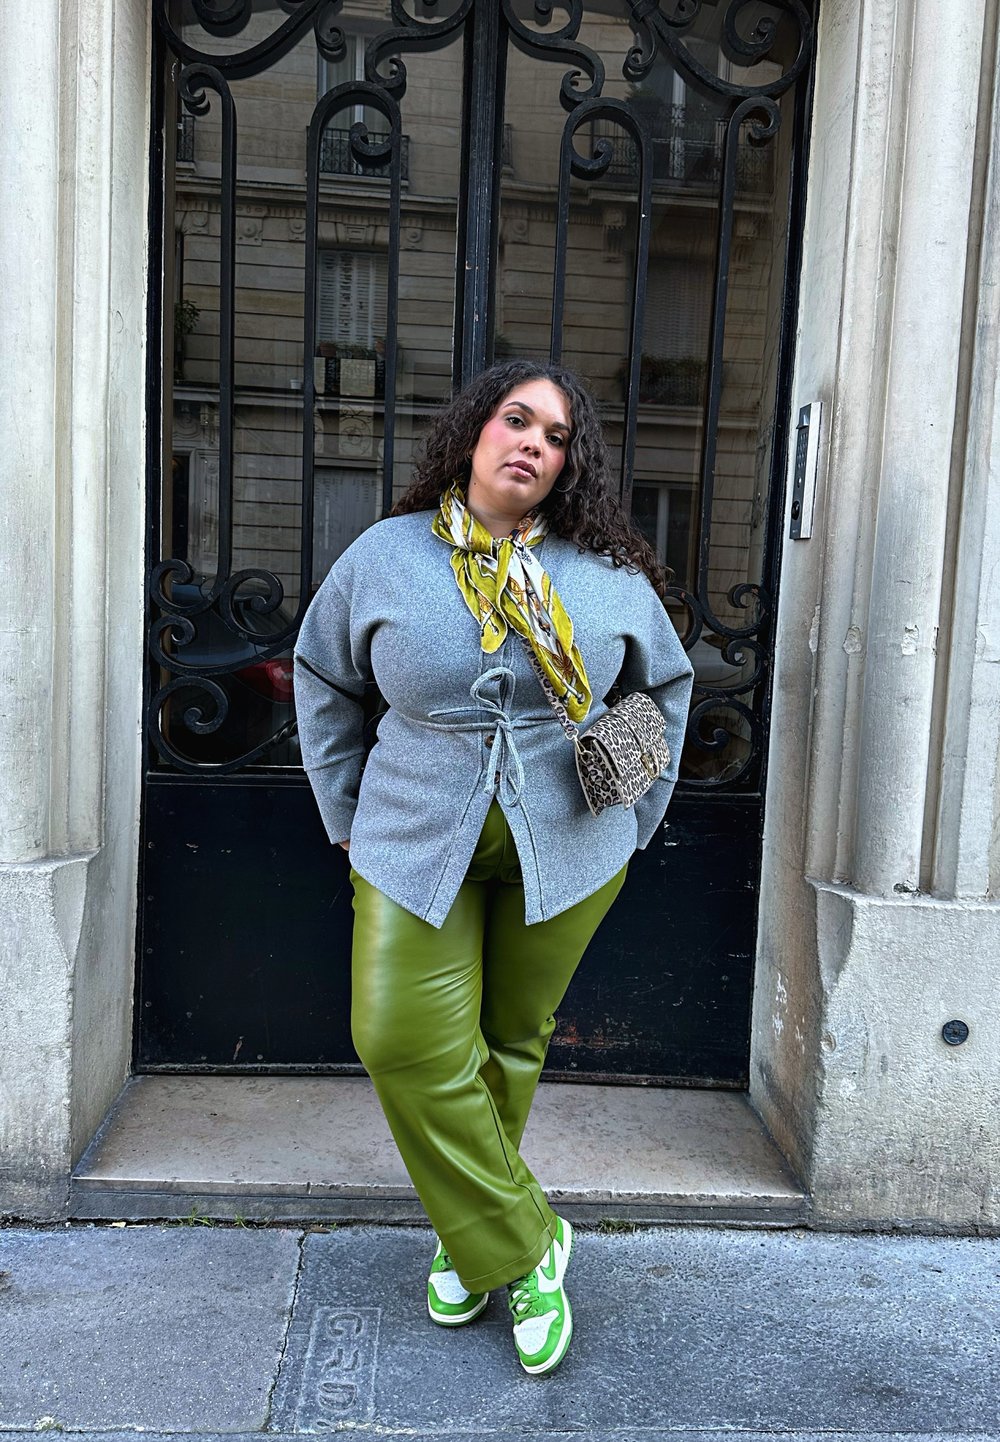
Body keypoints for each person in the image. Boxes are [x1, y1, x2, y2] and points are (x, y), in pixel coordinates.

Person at [293, 359, 694, 1375]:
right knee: (398, 1037)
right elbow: (324, 678)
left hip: (569, 843)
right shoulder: (387, 555)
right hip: (410, 835)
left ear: (569, 464)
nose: (532, 443)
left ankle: (468, 1245)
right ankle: (526, 1240)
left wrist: (638, 815)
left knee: (511, 1042)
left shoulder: (604, 571)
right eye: (517, 420)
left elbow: (667, 687)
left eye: (555, 436)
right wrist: (343, 810)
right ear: (473, 431)